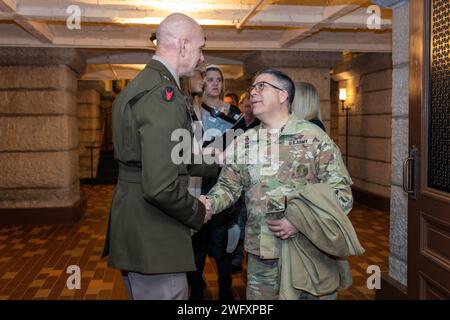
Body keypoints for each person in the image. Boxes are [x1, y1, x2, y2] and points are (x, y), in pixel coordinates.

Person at [203, 67, 364, 300]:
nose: (252, 93)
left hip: (307, 253)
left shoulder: (313, 138)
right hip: (262, 258)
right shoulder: (246, 141)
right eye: (252, 88)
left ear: (282, 95)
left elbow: (341, 194)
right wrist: (207, 203)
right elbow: (228, 187)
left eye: (261, 87)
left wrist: (298, 221)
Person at [102, 13, 217, 300]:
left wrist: (218, 162)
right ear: (183, 45)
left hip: (137, 223)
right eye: (200, 48)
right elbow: (161, 186)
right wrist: (198, 211)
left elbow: (170, 157)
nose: (202, 58)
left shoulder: (143, 85)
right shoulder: (163, 96)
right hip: (154, 233)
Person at [187, 64, 241, 300]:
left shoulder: (234, 113)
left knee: (224, 240)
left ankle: (225, 290)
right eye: (209, 79)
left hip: (225, 181)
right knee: (197, 238)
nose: (215, 83)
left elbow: (241, 145)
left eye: (218, 79)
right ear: (202, 83)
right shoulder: (192, 111)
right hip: (198, 181)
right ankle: (197, 289)